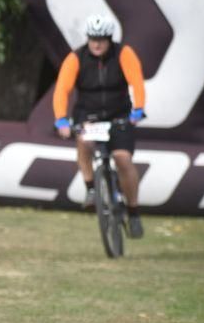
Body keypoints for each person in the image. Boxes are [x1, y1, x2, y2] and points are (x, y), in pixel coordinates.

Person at [53, 14, 146, 238]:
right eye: (93, 39)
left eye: (101, 40)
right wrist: (61, 119)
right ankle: (91, 189)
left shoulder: (124, 54)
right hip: (89, 114)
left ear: (109, 39)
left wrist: (138, 109)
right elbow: (62, 90)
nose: (96, 44)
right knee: (84, 141)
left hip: (119, 114)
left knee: (123, 159)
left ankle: (133, 212)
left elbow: (137, 83)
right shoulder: (76, 58)